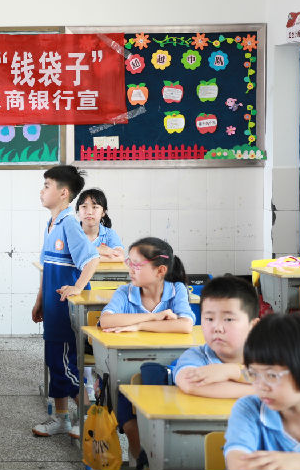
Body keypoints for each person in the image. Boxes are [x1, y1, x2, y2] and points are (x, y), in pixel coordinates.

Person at [99, 237, 195, 467]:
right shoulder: (125, 292)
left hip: (165, 373)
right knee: (130, 418)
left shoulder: (177, 290)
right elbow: (106, 321)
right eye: (129, 262)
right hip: (126, 372)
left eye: (137, 264)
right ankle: (139, 458)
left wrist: (139, 326)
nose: (130, 269)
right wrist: (155, 317)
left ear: (160, 270)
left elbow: (184, 325)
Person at [31, 165, 99, 438]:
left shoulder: (69, 223)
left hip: (65, 310)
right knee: (55, 362)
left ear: (63, 193)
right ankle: (62, 419)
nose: (42, 191)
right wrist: (39, 300)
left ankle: (90, 420)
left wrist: (77, 287)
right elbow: (46, 267)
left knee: (67, 367)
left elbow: (91, 260)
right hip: (52, 308)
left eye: (47, 185)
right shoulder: (51, 224)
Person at [224, 313, 300, 470]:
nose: (261, 386)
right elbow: (239, 465)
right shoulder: (249, 409)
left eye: (272, 375)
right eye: (253, 374)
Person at [173, 275, 259, 398]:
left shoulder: (268, 355)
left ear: (253, 326)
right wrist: (264, 391)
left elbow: (283, 381)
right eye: (209, 319)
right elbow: (190, 384)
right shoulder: (196, 356)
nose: (217, 328)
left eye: (228, 319)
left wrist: (233, 372)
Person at [75, 188, 124, 262]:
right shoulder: (70, 232)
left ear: (103, 212)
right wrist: (99, 250)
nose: (89, 212)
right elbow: (68, 257)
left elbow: (120, 257)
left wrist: (84, 255)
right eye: (84, 206)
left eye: (95, 207)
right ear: (78, 211)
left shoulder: (109, 234)